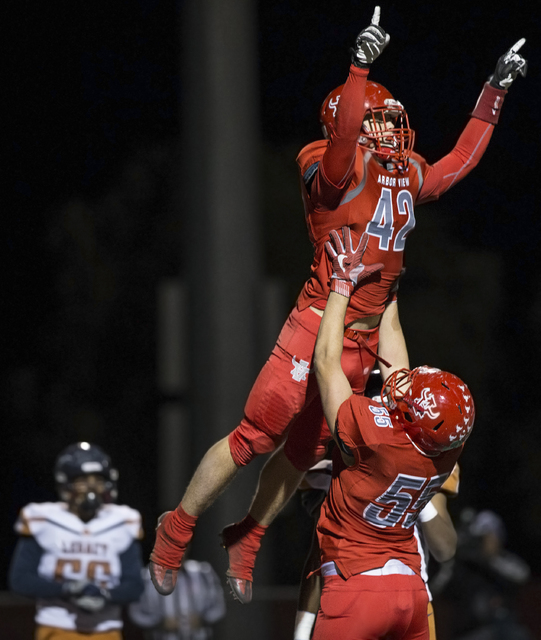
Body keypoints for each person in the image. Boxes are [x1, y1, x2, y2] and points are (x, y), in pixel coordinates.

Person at [149, 5, 527, 602]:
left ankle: (248, 536)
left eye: (390, 119)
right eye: (378, 120)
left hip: (371, 335)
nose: (390, 129)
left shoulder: (403, 175)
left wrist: (494, 90)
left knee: (303, 452)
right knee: (253, 437)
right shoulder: (328, 167)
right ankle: (176, 529)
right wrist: (358, 68)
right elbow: (346, 136)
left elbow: (458, 163)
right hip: (317, 324)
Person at [309, 227, 475, 639]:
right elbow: (396, 362)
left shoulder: (374, 435)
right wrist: (387, 293)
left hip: (356, 587)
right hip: (411, 593)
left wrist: (343, 285)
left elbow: (327, 361)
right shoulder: (442, 450)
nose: (405, 383)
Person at [293, 416, 461, 640]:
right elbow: (319, 555)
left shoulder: (429, 460)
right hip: (357, 590)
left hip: (403, 597)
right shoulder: (333, 473)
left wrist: (416, 487)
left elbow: (445, 548)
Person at [9, 442, 145, 640]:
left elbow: (135, 585)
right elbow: (20, 580)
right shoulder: (43, 519)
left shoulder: (122, 521)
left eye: (97, 479)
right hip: (57, 627)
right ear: (65, 483)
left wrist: (105, 596)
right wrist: (67, 589)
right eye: (82, 479)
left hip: (106, 630)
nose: (91, 487)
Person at [440, 508, 532, 640]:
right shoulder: (464, 563)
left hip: (500, 625)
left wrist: (487, 559)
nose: (488, 542)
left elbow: (522, 575)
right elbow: (444, 588)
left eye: (490, 536)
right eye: (483, 538)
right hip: (470, 628)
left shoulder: (502, 561)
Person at [129, 559, 226, 640]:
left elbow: (219, 606)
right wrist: (160, 623)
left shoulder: (203, 572)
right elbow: (136, 612)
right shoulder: (146, 577)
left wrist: (203, 619)